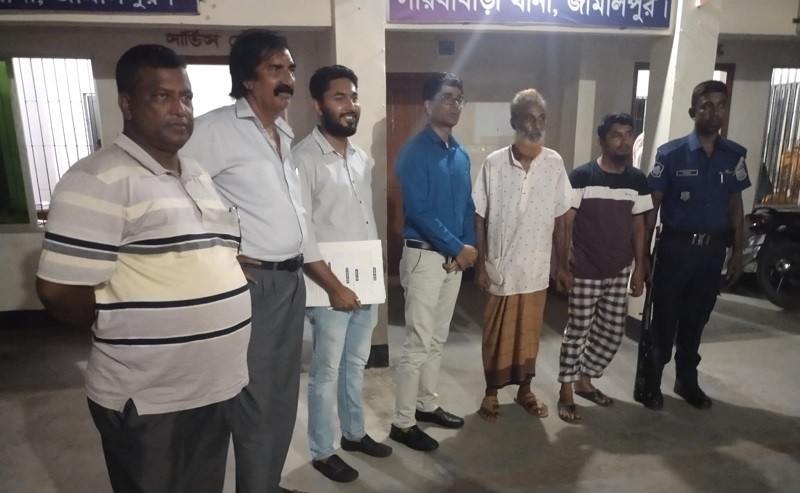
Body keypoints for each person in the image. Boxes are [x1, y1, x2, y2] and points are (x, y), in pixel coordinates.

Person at [35, 44, 251, 492]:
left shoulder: (196, 173)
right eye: (162, 96)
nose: (180, 109)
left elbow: (210, 249)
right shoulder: (97, 178)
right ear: (127, 104)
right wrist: (121, 321)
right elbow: (59, 292)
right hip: (149, 397)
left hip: (214, 386)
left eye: (186, 97)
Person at [181, 29, 306, 492]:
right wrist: (219, 252)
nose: (287, 78)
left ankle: (266, 483)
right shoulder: (215, 130)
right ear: (248, 79)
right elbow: (176, 189)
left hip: (291, 280)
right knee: (255, 400)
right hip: (255, 285)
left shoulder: (283, 132)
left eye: (290, 68)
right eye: (275, 69)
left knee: (282, 395)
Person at [294, 65, 392, 483]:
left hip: (364, 282)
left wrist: (376, 264)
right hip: (328, 287)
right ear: (317, 104)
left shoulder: (361, 158)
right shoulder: (302, 159)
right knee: (326, 372)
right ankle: (322, 450)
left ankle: (354, 434)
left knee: (356, 363)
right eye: (339, 97)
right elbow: (302, 235)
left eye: (353, 96)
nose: (350, 105)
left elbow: (363, 219)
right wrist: (334, 288)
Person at [635, 80, 750, 411]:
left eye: (720, 105)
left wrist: (738, 253)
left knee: (695, 321)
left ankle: (687, 381)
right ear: (693, 111)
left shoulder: (734, 155)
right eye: (706, 105)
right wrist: (643, 258)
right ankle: (651, 384)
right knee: (664, 321)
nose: (714, 112)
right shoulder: (671, 154)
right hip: (675, 250)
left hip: (712, 253)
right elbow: (652, 208)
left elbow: (736, 206)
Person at [473, 88, 572, 423]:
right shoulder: (495, 163)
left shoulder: (554, 163)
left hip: (535, 269)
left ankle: (525, 390)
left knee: (529, 336)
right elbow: (479, 214)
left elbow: (562, 216)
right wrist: (481, 265)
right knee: (496, 335)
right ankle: (491, 393)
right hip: (501, 267)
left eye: (541, 118)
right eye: (529, 118)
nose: (536, 124)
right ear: (514, 121)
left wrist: (562, 265)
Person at [391, 72, 477, 452]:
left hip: (452, 260)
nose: (454, 104)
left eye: (459, 98)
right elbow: (420, 211)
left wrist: (468, 246)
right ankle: (402, 422)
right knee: (418, 342)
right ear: (428, 105)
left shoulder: (460, 153)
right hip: (424, 257)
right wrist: (458, 247)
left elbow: (468, 205)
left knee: (437, 339)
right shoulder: (414, 152)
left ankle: (426, 405)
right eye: (447, 97)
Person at [556, 113, 652, 423]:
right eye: (616, 135)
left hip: (619, 269)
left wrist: (640, 268)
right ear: (602, 141)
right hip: (584, 269)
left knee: (612, 332)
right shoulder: (582, 176)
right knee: (577, 332)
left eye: (628, 135)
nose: (624, 141)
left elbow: (639, 227)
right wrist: (562, 266)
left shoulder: (637, 180)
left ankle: (585, 380)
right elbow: (565, 223)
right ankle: (566, 391)